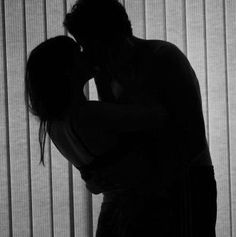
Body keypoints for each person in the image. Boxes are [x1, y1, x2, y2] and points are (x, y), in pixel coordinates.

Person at [63, 0, 217, 236]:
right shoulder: (105, 72)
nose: (86, 54)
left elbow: (191, 140)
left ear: (111, 37)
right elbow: (123, 135)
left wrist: (132, 177)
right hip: (143, 189)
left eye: (89, 45)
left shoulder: (164, 59)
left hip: (185, 184)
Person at [24, 36, 173, 235]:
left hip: (112, 215)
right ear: (67, 70)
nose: (87, 55)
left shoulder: (53, 126)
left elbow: (97, 174)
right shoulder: (87, 115)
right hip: (139, 214)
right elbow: (159, 116)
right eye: (78, 53)